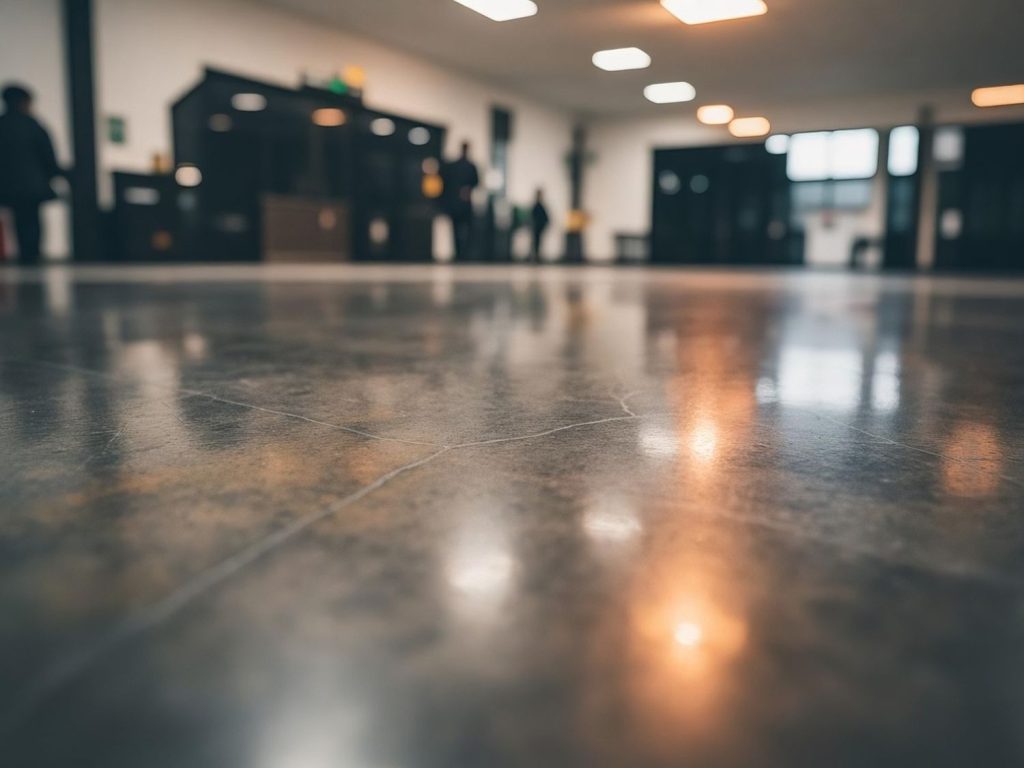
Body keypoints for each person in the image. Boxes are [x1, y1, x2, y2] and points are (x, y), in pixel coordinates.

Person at [0, 83, 60, 265]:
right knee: (32, 221)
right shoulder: (33, 125)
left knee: (18, 221)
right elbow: (47, 155)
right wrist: (52, 176)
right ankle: (32, 255)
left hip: (8, 185)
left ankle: (25, 255)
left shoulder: (2, 125)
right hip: (33, 184)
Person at [441, 141, 479, 261]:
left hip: (459, 203)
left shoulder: (459, 166)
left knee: (461, 229)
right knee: (462, 229)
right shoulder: (469, 166)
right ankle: (461, 254)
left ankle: (461, 254)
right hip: (460, 203)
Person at [530, 188, 550, 263]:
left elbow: (545, 218)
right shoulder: (536, 206)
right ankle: (535, 257)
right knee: (536, 243)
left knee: (538, 243)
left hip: (539, 228)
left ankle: (537, 257)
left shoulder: (540, 206)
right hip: (536, 228)